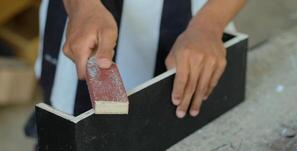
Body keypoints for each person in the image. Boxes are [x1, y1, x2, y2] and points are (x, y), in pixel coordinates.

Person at [25, 0, 245, 138]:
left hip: (195, 21)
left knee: (174, 133)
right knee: (69, 142)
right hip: (83, 18)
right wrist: (80, 5)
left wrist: (208, 25)